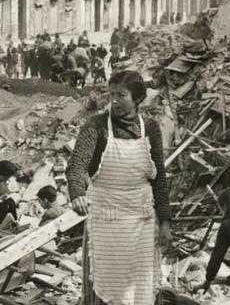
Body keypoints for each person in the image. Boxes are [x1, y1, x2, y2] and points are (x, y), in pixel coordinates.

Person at [67, 70, 172, 305]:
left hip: (141, 218)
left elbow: (160, 178)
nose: (113, 101)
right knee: (107, 286)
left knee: (142, 285)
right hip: (107, 219)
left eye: (121, 95)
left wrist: (165, 221)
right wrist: (77, 194)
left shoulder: (151, 128)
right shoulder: (96, 126)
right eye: (111, 94)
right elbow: (76, 166)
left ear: (137, 99)